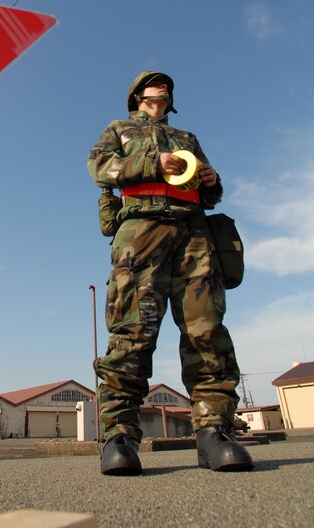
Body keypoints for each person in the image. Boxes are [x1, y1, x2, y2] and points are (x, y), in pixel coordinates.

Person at [87, 71, 254, 475]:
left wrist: (212, 183)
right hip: (140, 232)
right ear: (139, 96)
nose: (162, 88)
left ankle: (214, 431)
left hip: (193, 232)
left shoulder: (187, 137)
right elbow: (99, 166)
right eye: (154, 84)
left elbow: (208, 190)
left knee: (207, 330)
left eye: (167, 85)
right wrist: (151, 162)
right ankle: (120, 435)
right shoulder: (119, 129)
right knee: (132, 330)